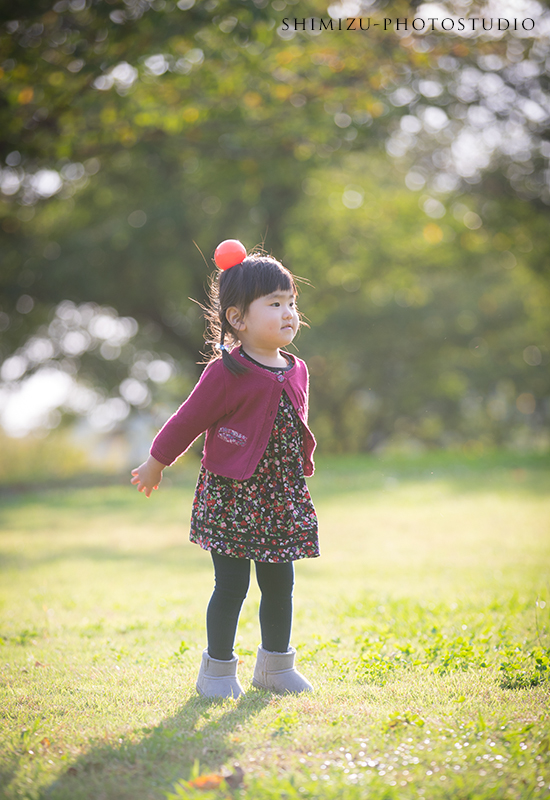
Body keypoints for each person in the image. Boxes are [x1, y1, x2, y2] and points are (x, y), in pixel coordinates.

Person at [130, 242, 319, 699]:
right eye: (274, 304)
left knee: (280, 582)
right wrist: (156, 462)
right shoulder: (226, 372)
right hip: (233, 494)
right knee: (231, 584)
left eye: (291, 301)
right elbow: (188, 420)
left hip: (280, 495)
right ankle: (217, 672)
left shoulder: (297, 369)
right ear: (238, 319)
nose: (288, 312)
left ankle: (275, 667)